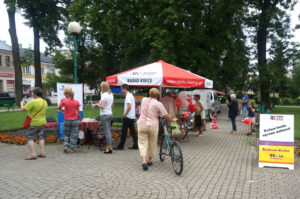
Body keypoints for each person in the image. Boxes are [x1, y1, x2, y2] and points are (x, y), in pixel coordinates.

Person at [137, 88, 177, 171]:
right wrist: (173, 119)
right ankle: (149, 160)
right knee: (152, 143)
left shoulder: (144, 100)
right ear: (158, 95)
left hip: (142, 124)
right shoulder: (158, 104)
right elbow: (165, 115)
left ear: (149, 93)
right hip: (153, 125)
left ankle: (144, 161)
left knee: (142, 143)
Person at [20, 87, 48, 160]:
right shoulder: (44, 102)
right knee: (40, 137)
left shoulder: (33, 101)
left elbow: (23, 109)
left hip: (33, 123)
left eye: (33, 93)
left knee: (30, 137)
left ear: (35, 94)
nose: (32, 95)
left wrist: (22, 103)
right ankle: (42, 152)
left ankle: (33, 154)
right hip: (42, 122)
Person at [114, 84, 138, 150]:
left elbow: (129, 106)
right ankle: (136, 145)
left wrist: (125, 114)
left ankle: (121, 146)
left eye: (122, 89)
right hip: (132, 116)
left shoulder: (128, 96)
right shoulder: (131, 95)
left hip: (127, 117)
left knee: (124, 131)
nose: (121, 91)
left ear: (124, 89)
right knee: (133, 132)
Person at [58, 87, 81, 153]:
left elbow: (59, 108)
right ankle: (72, 148)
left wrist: (62, 109)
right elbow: (78, 113)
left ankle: (65, 146)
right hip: (74, 120)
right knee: (74, 135)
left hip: (67, 120)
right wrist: (80, 120)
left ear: (65, 94)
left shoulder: (64, 101)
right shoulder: (76, 102)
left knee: (66, 134)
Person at [96, 81, 114, 154]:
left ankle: (109, 147)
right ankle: (110, 146)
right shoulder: (111, 94)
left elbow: (102, 106)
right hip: (110, 113)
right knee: (109, 131)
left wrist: (97, 105)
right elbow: (112, 105)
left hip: (104, 115)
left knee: (107, 132)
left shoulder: (103, 95)